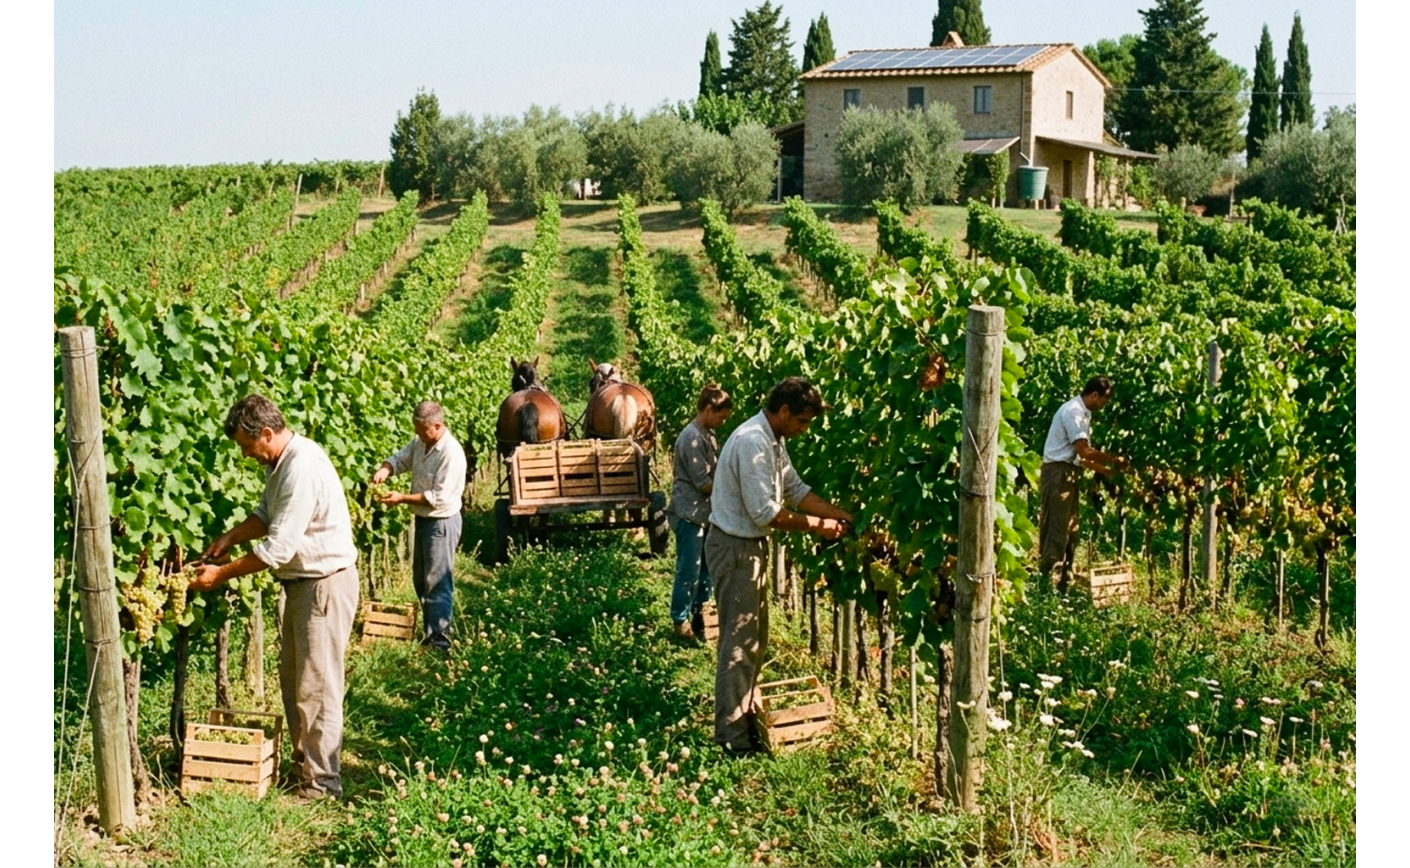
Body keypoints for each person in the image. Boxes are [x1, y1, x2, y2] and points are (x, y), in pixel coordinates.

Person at [189, 394, 359, 801]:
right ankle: (307, 769)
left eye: (249, 447)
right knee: (296, 683)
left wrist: (222, 574)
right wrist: (229, 538)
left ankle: (323, 785)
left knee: (317, 689)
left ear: (267, 433)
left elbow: (277, 550)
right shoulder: (281, 463)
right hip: (303, 586)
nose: (247, 455)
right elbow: (266, 515)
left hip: (323, 586)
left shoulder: (302, 469)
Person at [705, 377, 853, 755]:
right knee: (738, 646)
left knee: (754, 641)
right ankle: (732, 740)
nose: (804, 430)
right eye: (802, 421)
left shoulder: (773, 439)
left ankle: (745, 721)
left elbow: (796, 490)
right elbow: (766, 512)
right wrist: (819, 527)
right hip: (736, 548)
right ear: (784, 411)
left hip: (748, 550)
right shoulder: (753, 441)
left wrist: (837, 514)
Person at [370, 401, 467, 652]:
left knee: (437, 580)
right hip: (424, 519)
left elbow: (439, 497)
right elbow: (402, 459)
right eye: (416, 429)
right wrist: (386, 468)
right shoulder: (421, 442)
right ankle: (431, 632)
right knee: (421, 580)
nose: (418, 435)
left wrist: (401, 498)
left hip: (441, 522)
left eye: (422, 430)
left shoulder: (451, 453)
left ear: (437, 426)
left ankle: (440, 642)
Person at [1038, 376, 1128, 590]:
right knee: (1057, 529)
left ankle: (1062, 583)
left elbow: (1082, 459)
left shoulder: (1082, 413)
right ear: (1094, 395)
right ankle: (1043, 585)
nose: (1104, 405)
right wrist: (1114, 460)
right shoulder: (1075, 412)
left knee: (1071, 528)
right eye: (1104, 400)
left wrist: (1108, 472)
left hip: (1068, 474)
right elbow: (1084, 451)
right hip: (1058, 474)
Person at [666, 384, 733, 643]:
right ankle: (679, 621)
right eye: (721, 416)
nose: (723, 421)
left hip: (705, 514)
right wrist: (731, 492)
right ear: (708, 409)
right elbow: (703, 482)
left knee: (706, 569)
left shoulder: (708, 434)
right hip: (689, 514)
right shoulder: (691, 438)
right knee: (689, 570)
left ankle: (698, 614)